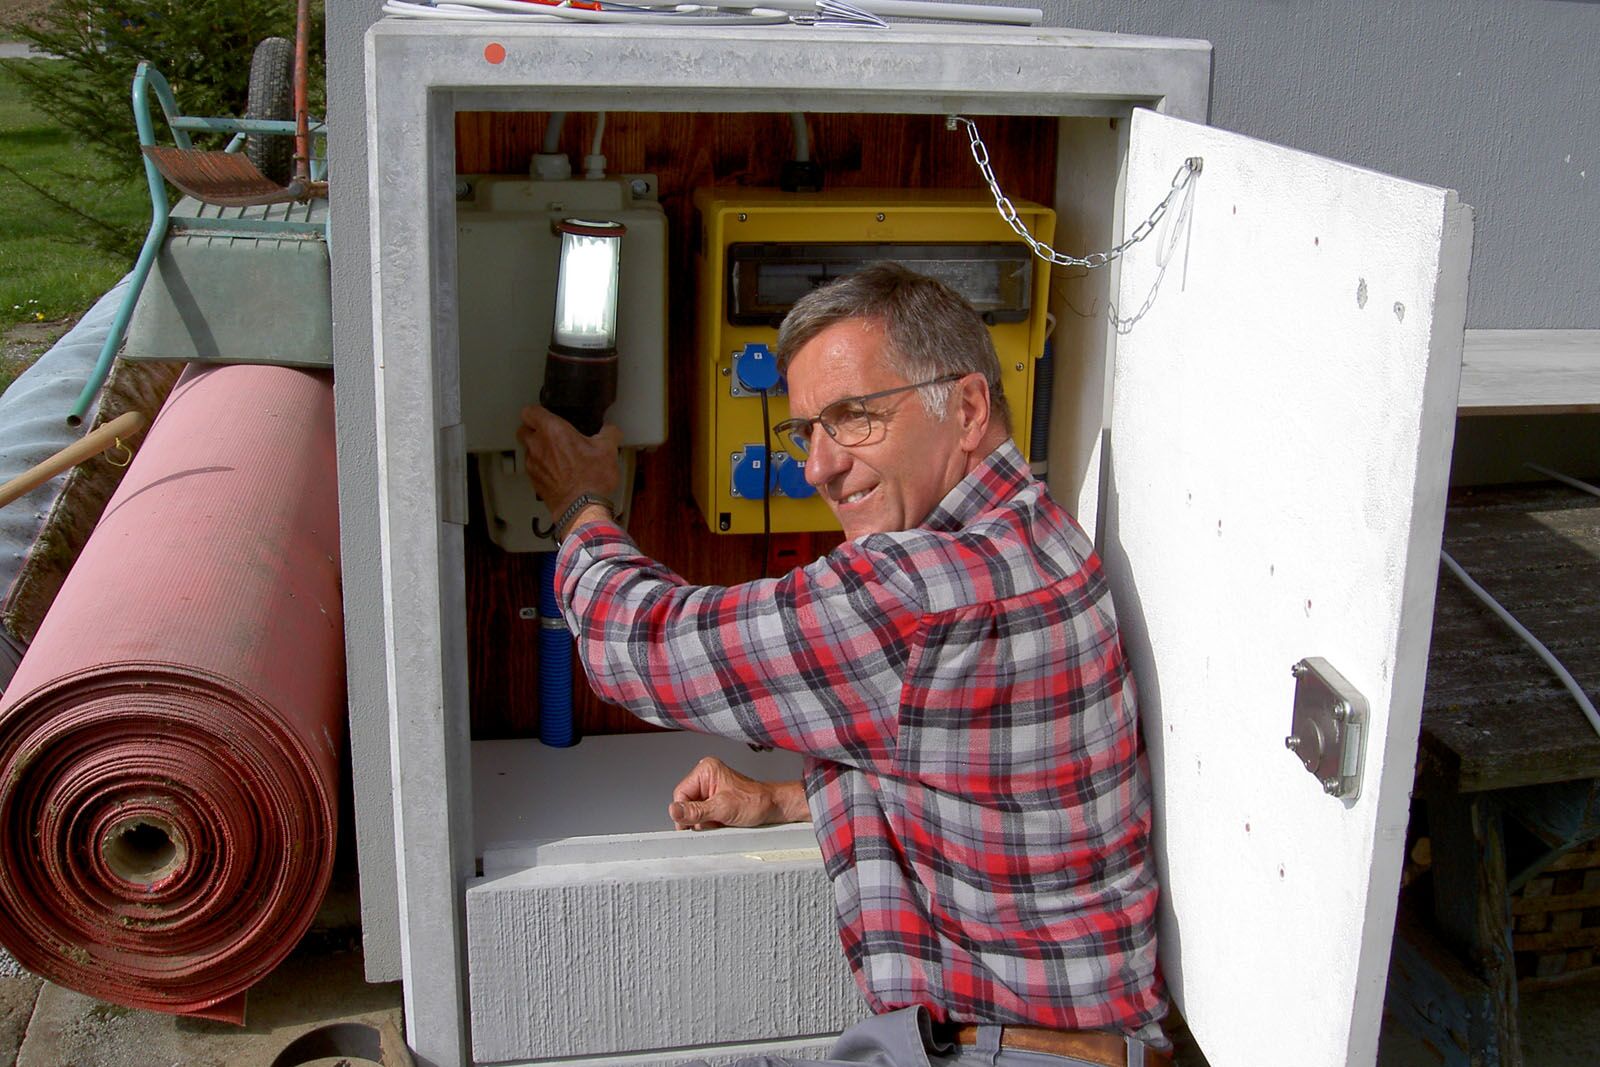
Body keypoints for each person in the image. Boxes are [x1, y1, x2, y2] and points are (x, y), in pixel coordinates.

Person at [518, 263, 1168, 1067]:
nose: (818, 467)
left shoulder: (919, 594)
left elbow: (641, 647)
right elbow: (987, 780)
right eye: (805, 431)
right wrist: (787, 798)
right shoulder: (1038, 533)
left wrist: (579, 502)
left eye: (854, 416)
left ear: (967, 409)